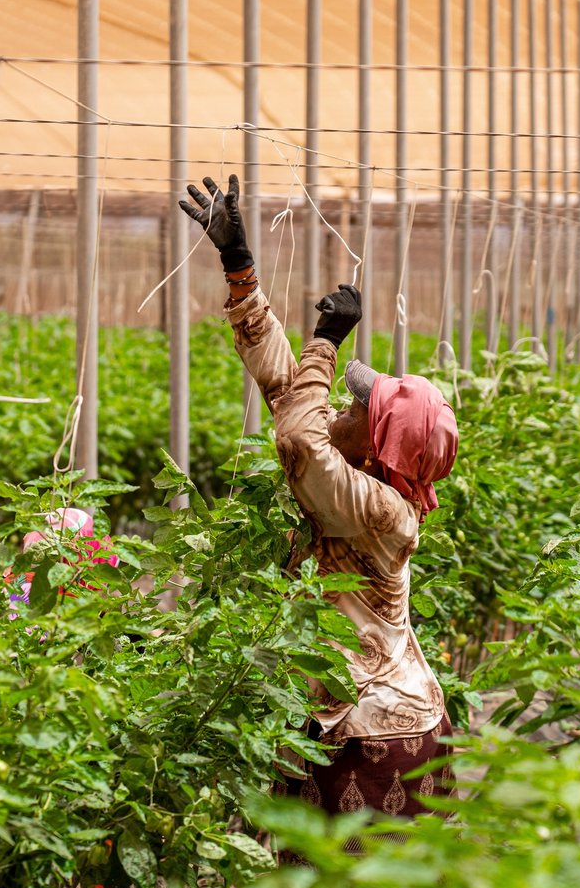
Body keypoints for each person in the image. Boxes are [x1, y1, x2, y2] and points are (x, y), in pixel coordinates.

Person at [179, 176, 459, 842]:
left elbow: (298, 438)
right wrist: (239, 267)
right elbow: (291, 392)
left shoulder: (381, 512)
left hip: (373, 740)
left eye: (361, 408)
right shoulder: (355, 477)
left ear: (381, 444)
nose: (345, 407)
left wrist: (327, 342)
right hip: (354, 726)